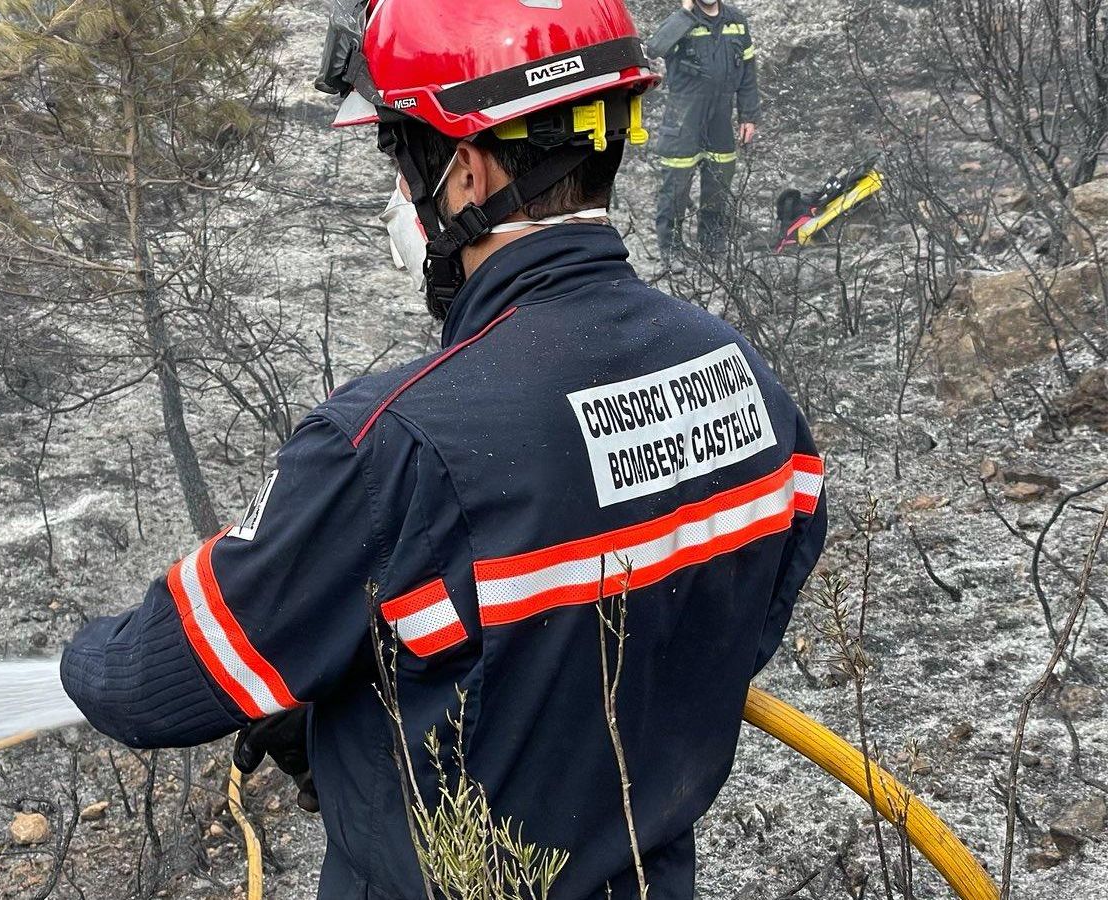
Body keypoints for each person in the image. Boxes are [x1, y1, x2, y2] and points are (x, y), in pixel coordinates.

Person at [61, 2, 826, 898]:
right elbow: (691, 634)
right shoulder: (744, 379)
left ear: (463, 171)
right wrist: (359, 702)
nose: (400, 190)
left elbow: (155, 683)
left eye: (401, 156)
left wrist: (75, 661)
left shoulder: (394, 444)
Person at [647, 0, 761, 263]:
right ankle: (671, 249)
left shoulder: (736, 21)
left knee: (719, 181)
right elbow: (655, 48)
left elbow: (748, 74)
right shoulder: (682, 20)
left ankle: (712, 244)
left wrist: (748, 116)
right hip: (684, 115)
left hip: (721, 115)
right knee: (676, 184)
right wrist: (685, 12)